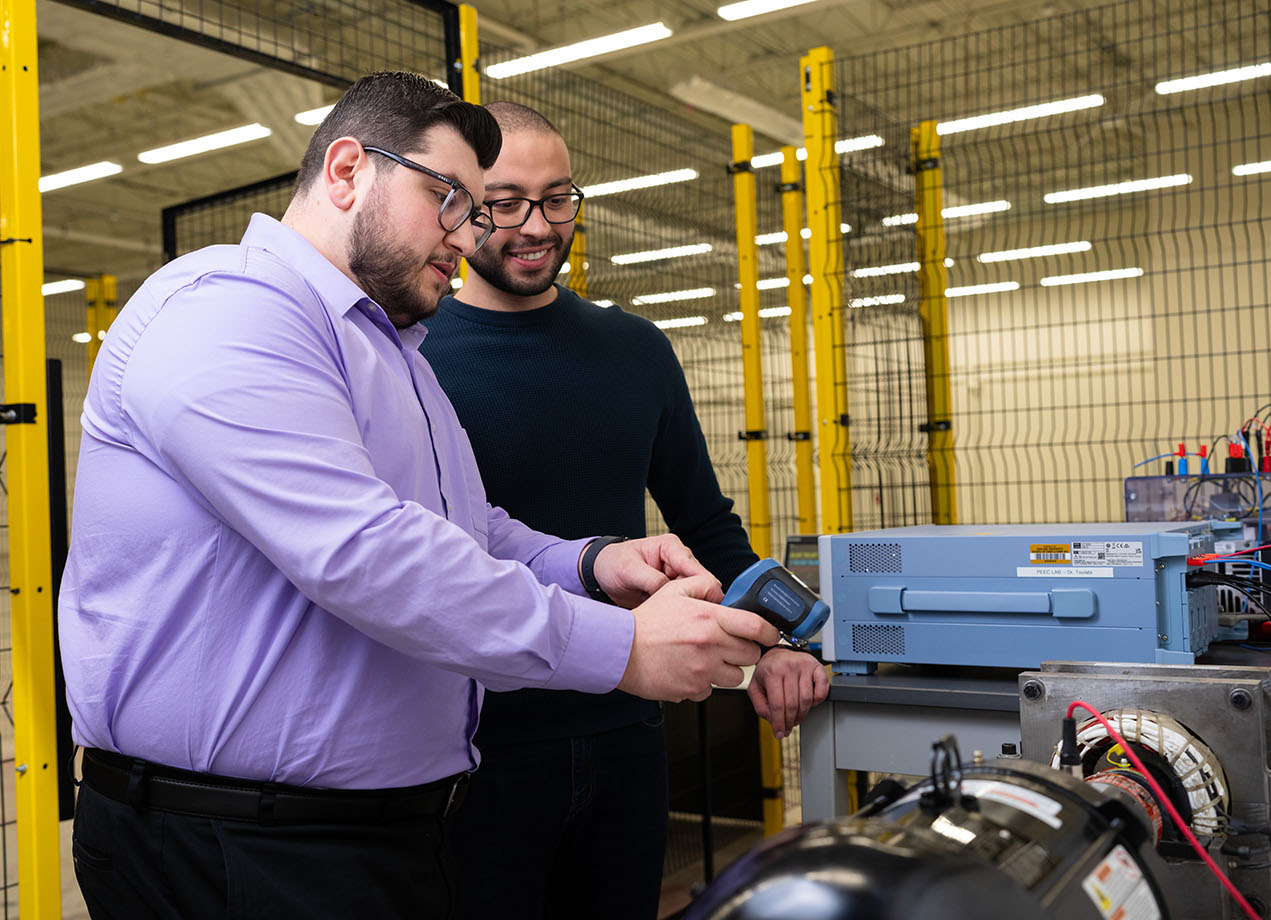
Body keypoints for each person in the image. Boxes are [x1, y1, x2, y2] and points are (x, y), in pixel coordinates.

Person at [58, 72, 781, 920]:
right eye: (451, 200)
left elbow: (470, 529)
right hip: (232, 844)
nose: (468, 235)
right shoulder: (230, 311)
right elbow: (365, 551)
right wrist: (619, 647)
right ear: (347, 170)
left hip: (370, 836)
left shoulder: (390, 349)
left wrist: (591, 563)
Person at [419, 101, 831, 920]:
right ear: (462, 208)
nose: (538, 226)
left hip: (627, 731)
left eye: (557, 198)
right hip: (471, 750)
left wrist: (781, 640)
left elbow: (703, 524)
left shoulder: (636, 349)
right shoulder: (413, 355)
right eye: (507, 203)